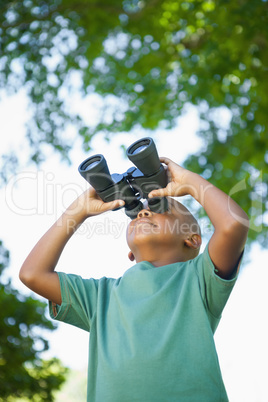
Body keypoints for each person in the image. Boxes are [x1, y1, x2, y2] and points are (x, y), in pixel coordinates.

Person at [19, 156, 249, 401]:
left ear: (192, 239)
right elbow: (32, 274)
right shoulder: (101, 296)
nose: (143, 213)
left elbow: (233, 225)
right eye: (136, 213)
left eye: (161, 207)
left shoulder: (199, 279)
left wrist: (189, 182)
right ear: (130, 253)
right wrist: (78, 211)